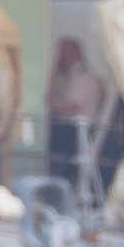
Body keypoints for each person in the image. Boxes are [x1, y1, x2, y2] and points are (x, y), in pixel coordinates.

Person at [47, 37, 104, 187]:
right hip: (68, 130)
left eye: (62, 53)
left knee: (67, 169)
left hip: (76, 131)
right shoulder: (64, 76)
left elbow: (71, 106)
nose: (59, 57)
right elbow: (49, 96)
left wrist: (54, 106)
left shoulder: (83, 77)